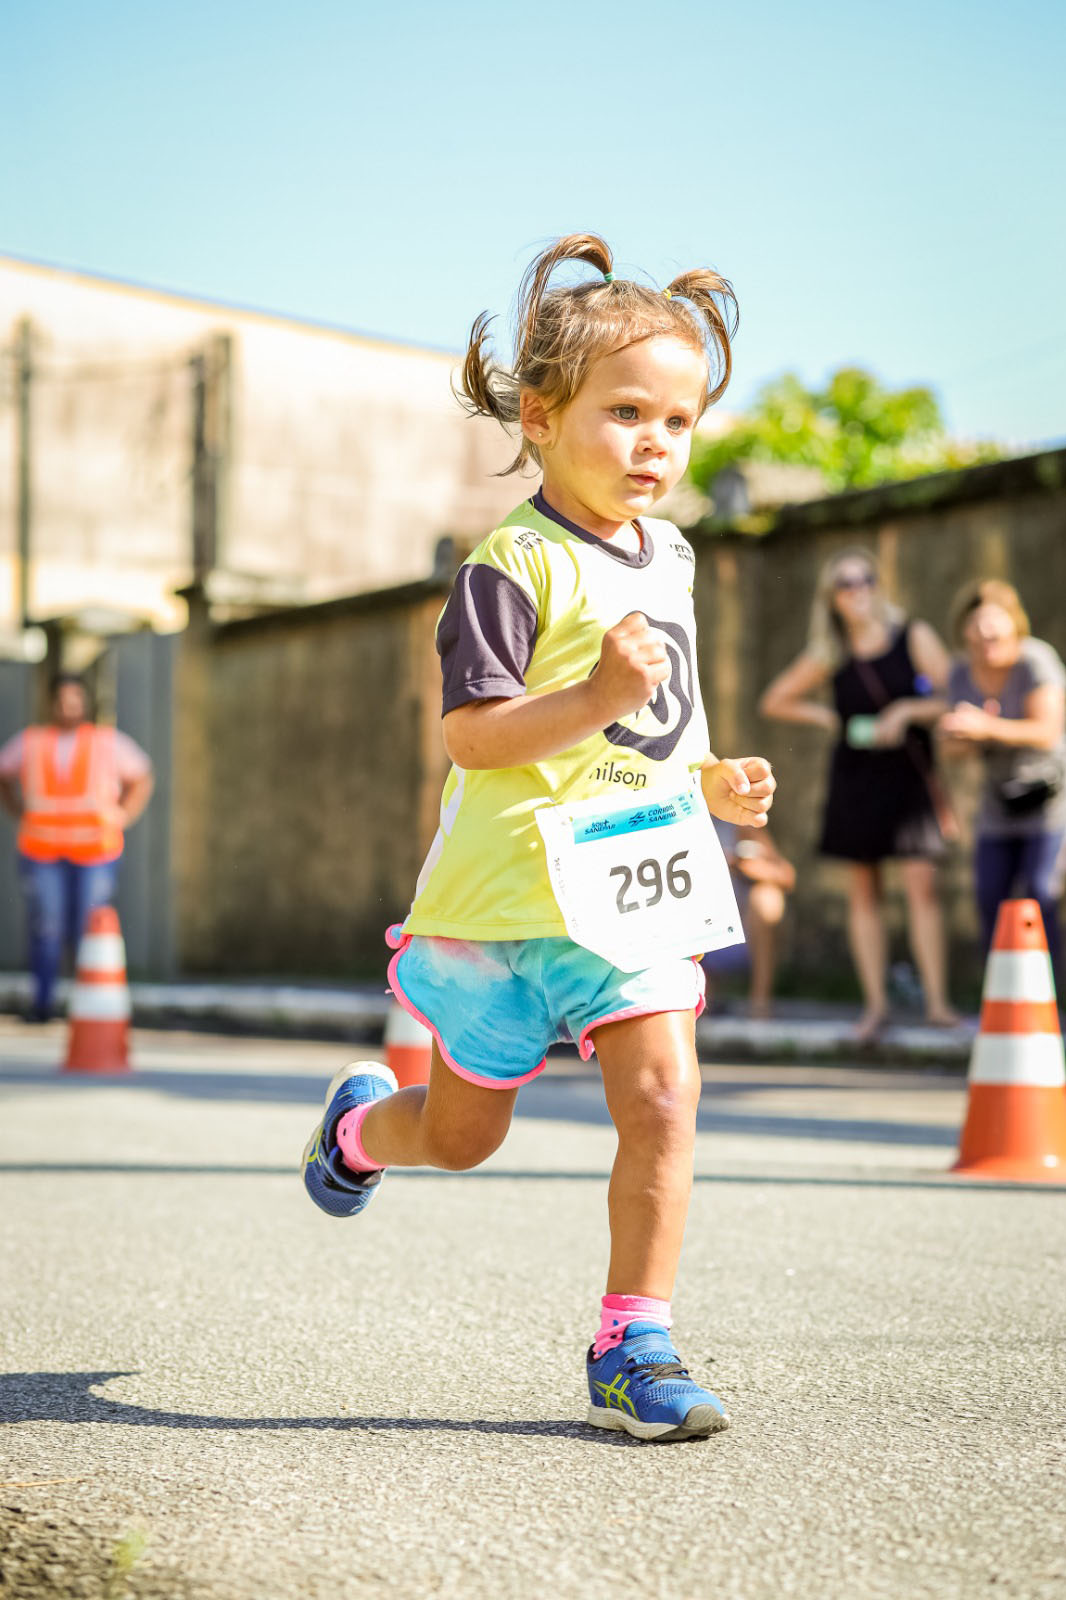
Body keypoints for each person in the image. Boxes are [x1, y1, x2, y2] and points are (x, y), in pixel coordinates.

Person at [301, 234, 776, 1442]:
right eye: (627, 413)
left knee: (663, 1094)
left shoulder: (671, 555)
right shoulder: (510, 565)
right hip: (504, 906)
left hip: (633, 897)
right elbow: (474, 735)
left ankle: (633, 1342)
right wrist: (595, 697)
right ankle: (359, 1126)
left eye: (678, 421)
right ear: (543, 414)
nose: (655, 443)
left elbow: (656, 719)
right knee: (459, 1138)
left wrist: (711, 781)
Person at [759, 548, 957, 1042]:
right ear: (833, 597)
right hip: (855, 776)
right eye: (845, 584)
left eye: (865, 579)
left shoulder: (912, 634)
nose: (858, 590)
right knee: (864, 893)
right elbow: (776, 700)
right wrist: (827, 717)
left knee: (922, 887)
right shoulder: (832, 650)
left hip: (908, 776)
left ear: (877, 584)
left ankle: (937, 1005)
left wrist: (906, 711)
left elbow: (954, 698)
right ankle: (875, 1008)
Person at [0, 673, 154, 1021]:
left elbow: (142, 775)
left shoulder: (106, 742)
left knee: (88, 929)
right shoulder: (31, 742)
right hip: (42, 850)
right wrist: (17, 811)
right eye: (62, 700)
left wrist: (123, 814)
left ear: (85, 702)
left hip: (95, 851)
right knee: (48, 927)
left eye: (75, 699)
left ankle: (87, 1005)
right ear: (51, 703)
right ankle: (43, 1004)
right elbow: (3, 774)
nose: (69, 707)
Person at [939, 580, 1066, 978]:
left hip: (1048, 801)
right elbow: (950, 747)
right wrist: (963, 734)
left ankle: (1050, 993)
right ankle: (999, 992)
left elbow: (1047, 731)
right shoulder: (960, 671)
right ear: (964, 630)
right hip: (998, 803)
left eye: (994, 623)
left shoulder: (1035, 661)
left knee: (1041, 895)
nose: (985, 634)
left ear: (1014, 624)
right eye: (976, 625)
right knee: (989, 896)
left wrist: (987, 727)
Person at [702, 820, 795, 1018]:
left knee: (766, 899)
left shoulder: (740, 824)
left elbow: (786, 875)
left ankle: (760, 1003)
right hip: (703, 927)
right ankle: (700, 1001)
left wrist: (749, 867)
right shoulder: (679, 820)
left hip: (743, 931)